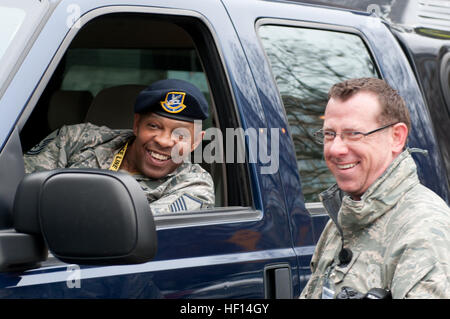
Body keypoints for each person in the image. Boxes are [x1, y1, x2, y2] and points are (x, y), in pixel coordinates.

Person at [300, 77, 450, 299]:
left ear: (396, 137)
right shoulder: (346, 216)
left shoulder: (424, 229)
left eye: (354, 134)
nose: (336, 148)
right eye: (329, 134)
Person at [23, 79, 215, 215]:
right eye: (154, 126)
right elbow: (18, 191)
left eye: (180, 135)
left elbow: (129, 232)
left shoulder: (194, 187)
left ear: (196, 141)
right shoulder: (75, 139)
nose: (164, 141)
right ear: (137, 124)